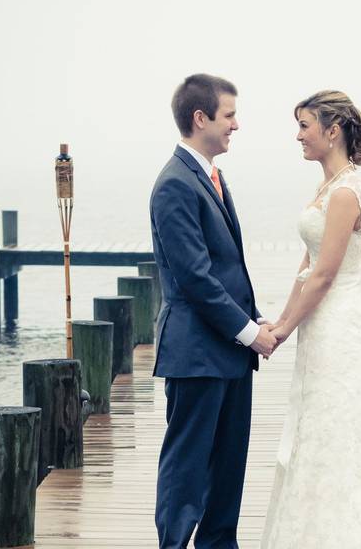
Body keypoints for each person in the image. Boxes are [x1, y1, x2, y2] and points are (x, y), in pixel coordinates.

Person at [261, 90, 361, 548]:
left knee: (339, 424)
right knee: (314, 423)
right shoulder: (328, 187)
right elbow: (306, 265)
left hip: (338, 325)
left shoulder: (348, 191)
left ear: (332, 131)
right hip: (318, 323)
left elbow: (327, 273)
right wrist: (280, 320)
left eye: (305, 125)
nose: (298, 135)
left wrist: (284, 331)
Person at [149, 73, 277, 548]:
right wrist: (249, 333)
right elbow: (195, 279)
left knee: (227, 466)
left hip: (228, 353)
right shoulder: (174, 185)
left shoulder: (211, 177)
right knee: (187, 466)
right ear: (199, 118)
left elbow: (227, 268)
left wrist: (255, 318)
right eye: (229, 115)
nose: (236, 125)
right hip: (196, 354)